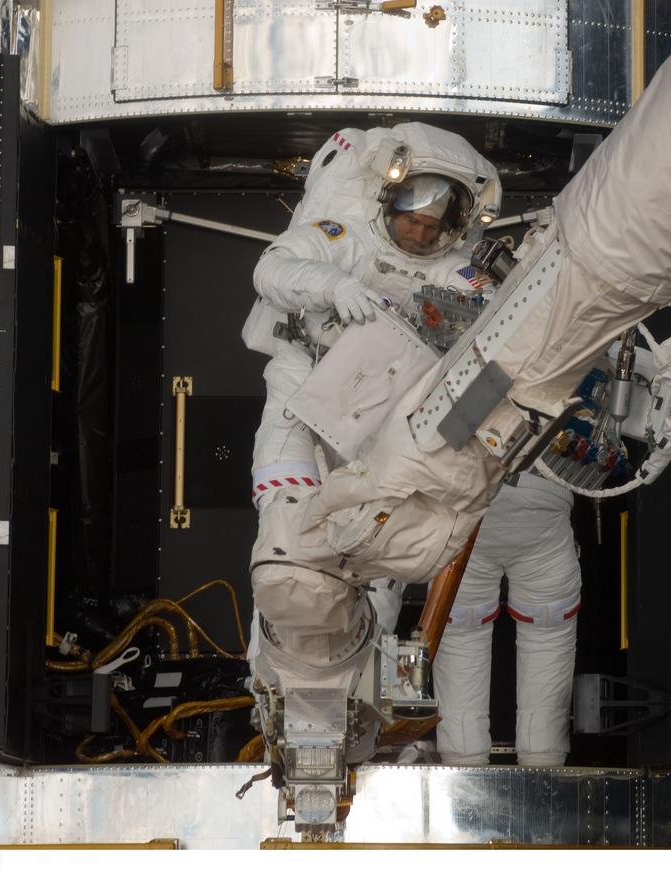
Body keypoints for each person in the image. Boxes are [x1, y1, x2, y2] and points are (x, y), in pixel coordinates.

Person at [242, 122, 502, 706]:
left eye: (434, 225)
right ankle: (270, 689)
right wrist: (332, 285)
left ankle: (364, 700)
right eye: (412, 216)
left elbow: (508, 319)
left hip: (376, 431)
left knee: (376, 565)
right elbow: (272, 270)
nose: (418, 230)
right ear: (390, 197)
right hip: (302, 399)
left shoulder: (455, 271)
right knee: (287, 550)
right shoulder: (344, 237)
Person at [434, 469, 580, 765]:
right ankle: (544, 771)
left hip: (464, 506)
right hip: (543, 511)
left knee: (462, 634)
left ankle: (463, 768)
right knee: (547, 637)